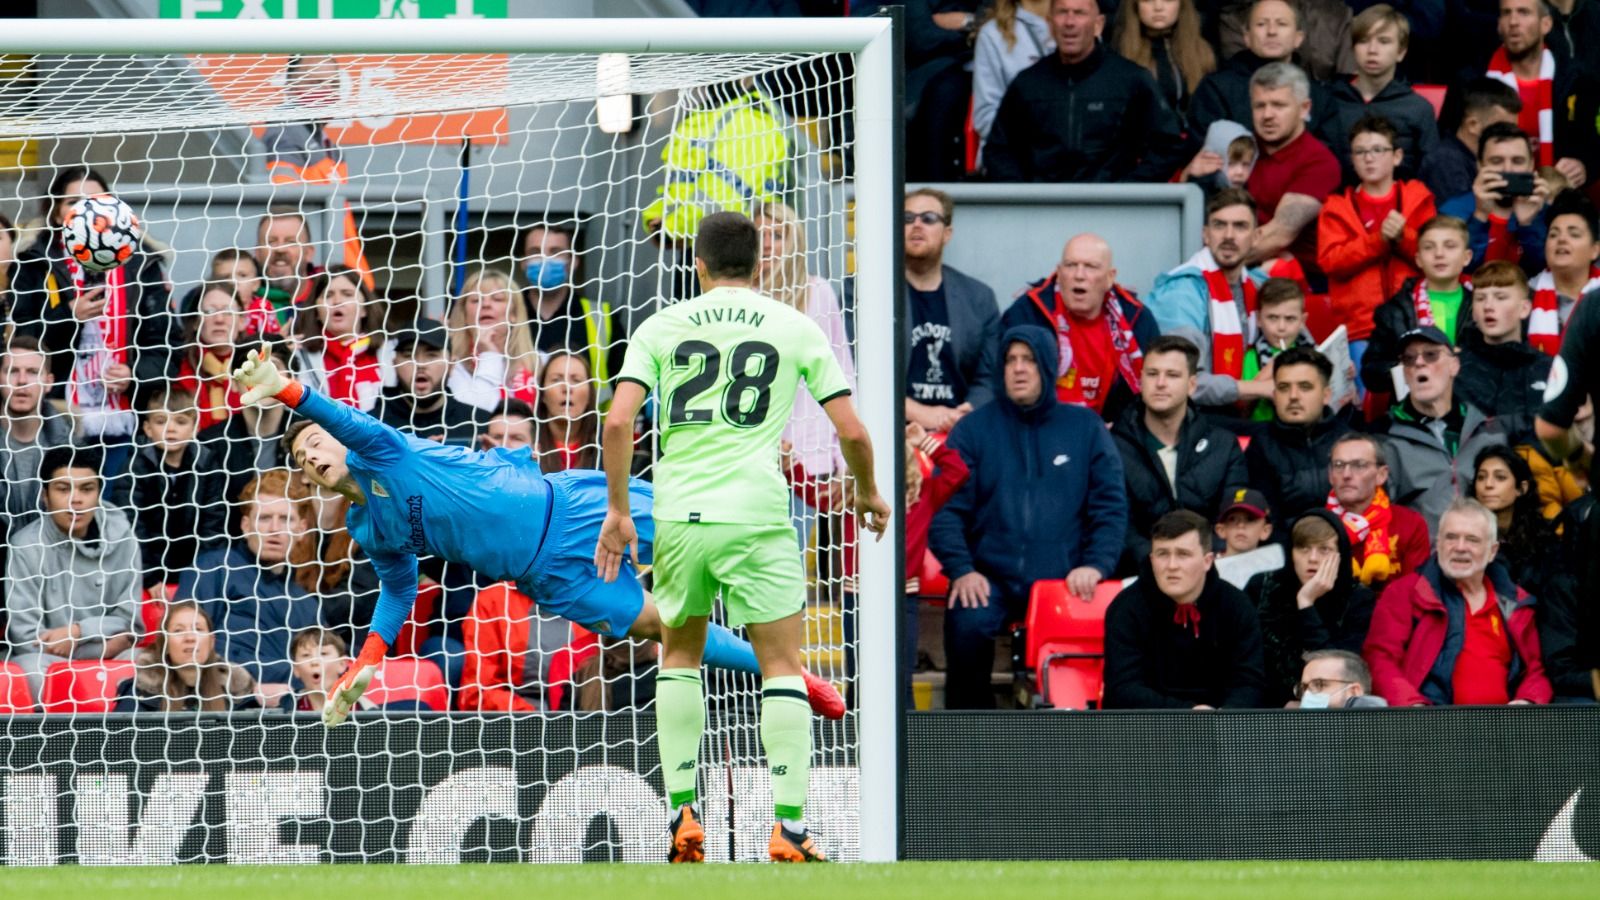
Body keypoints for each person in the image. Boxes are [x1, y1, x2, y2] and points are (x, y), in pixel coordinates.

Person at [228, 255, 853, 727]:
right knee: (658, 626)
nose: (310, 454)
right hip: (545, 576)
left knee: (708, 537)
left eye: (314, 442)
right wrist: (362, 667)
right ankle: (795, 678)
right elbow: (395, 594)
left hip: (574, 505)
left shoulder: (382, 450)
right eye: (300, 458)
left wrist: (284, 390)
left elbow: (343, 419)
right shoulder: (369, 528)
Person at [593, 210, 888, 863]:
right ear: (759, 266)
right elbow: (854, 433)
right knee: (781, 666)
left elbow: (617, 424)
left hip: (681, 516)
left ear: (697, 264)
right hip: (756, 514)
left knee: (679, 657)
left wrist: (618, 509)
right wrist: (865, 490)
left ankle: (682, 817)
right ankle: (786, 827)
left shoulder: (662, 325)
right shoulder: (794, 325)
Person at [930, 325, 1127, 708]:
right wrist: (962, 568)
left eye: (1030, 360)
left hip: (1066, 580)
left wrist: (1096, 564)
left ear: (1048, 367)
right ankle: (966, 740)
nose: (1019, 369)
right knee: (967, 623)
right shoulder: (973, 430)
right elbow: (944, 507)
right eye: (1011, 360)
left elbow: (1110, 506)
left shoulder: (1084, 427)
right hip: (989, 580)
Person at [1363, 498, 1553, 705]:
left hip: (1503, 728)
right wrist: (1412, 706)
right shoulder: (1405, 593)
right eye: (1451, 537)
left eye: (1472, 539)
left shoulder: (1515, 603)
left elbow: (1536, 670)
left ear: (1492, 551)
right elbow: (1379, 659)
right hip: (1429, 725)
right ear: (1438, 544)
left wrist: (1527, 701)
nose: (1460, 547)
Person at [983, 0, 1191, 183]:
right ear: (1049, 24)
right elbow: (998, 150)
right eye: (1062, 12)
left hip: (1113, 210)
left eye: (1080, 13)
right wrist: (1023, 195)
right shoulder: (1027, 84)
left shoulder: (1131, 80)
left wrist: (1129, 189)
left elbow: (1167, 146)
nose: (1069, 22)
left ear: (1098, 25)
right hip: (1041, 208)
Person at [754, 200, 857, 536]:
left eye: (778, 234)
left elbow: (842, 375)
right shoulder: (735, 296)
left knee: (789, 566)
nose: (767, 244)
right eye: (759, 235)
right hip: (745, 460)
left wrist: (846, 461)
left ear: (795, 241)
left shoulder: (817, 292)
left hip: (804, 462)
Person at [4, 446, 140, 700]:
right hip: (49, 656)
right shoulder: (25, 546)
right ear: (45, 495)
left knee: (146, 663)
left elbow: (130, 622)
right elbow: (25, 636)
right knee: (30, 669)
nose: (75, 499)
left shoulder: (123, 534)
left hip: (110, 651)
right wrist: (102, 645)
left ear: (99, 493)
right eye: (63, 489)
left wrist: (77, 632)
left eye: (87, 489)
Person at [177, 470, 320, 708]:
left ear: (302, 529)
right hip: (223, 706)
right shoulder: (214, 568)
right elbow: (186, 645)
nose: (274, 529)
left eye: (286, 519)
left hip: (294, 712)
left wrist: (294, 690)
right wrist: (248, 689)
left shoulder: (307, 603)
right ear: (245, 525)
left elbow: (324, 666)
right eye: (264, 518)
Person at [1111, 335, 1247, 574]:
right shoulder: (1113, 448)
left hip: (1211, 574)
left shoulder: (1223, 445)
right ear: (1141, 380)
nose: (1160, 383)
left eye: (1172, 375)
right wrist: (1160, 563)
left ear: (1192, 385)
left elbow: (1232, 519)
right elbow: (1119, 525)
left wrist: (1199, 564)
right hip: (1140, 575)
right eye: (1152, 374)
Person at [1102, 510, 1266, 709]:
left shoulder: (1237, 606)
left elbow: (1249, 683)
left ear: (1208, 561)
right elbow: (1123, 689)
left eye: (1183, 554)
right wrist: (1187, 715)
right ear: (1152, 559)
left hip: (1223, 728)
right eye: (1163, 554)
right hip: (1147, 731)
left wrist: (1223, 720)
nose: (1172, 566)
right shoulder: (1125, 609)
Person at [1316, 115, 1436, 371]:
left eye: (1378, 150)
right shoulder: (1336, 207)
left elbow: (1435, 258)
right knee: (1367, 405)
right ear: (1352, 159)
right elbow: (1330, 262)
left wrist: (1404, 237)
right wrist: (1377, 241)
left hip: (1416, 322)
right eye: (1360, 152)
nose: (1369, 158)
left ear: (1397, 156)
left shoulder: (1419, 198)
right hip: (1361, 328)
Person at [1001, 232, 1159, 422]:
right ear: (1058, 274)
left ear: (1110, 277)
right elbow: (1003, 384)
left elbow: (1155, 386)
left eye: (1091, 267)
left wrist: (1119, 432)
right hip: (1040, 428)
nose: (1079, 275)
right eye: (1071, 265)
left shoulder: (1136, 318)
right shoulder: (1027, 313)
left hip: (1116, 437)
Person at [1144, 188, 1273, 410]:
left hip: (1242, 413)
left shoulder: (1259, 285)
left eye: (1240, 226)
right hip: (1193, 417)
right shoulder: (1182, 292)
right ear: (1206, 234)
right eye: (1219, 225)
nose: (1229, 235)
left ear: (1256, 237)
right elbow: (1185, 381)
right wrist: (1260, 388)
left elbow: (1296, 344)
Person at [1376, 327, 1507, 531]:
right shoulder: (1384, 439)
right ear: (1404, 373)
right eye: (1409, 359)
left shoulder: (1488, 431)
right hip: (1419, 557)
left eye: (1431, 355)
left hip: (1483, 553)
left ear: (1454, 366)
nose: (1419, 363)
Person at [257, 55, 372, 287]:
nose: (327, 91)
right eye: (316, 82)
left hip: (349, 277)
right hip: (322, 283)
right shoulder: (284, 133)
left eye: (333, 84)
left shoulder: (330, 147)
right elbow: (287, 206)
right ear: (290, 86)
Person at [1245, 511, 1377, 705]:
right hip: (1267, 709)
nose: (1312, 558)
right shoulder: (1261, 587)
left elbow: (1341, 671)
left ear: (1341, 554)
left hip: (1331, 711)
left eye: (1324, 549)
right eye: (1303, 548)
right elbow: (1249, 662)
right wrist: (1281, 704)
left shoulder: (1358, 599)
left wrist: (1306, 603)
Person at [902, 189, 1001, 433]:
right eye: (907, 218)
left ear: (947, 233)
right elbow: (854, 370)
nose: (916, 225)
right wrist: (920, 413)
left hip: (962, 432)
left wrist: (967, 412)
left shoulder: (978, 298)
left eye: (928, 218)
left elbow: (990, 375)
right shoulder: (867, 293)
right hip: (891, 430)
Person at [1314, 6, 1440, 184]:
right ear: (1353, 49)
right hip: (1338, 205)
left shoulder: (1418, 108)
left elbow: (1430, 172)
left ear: (1401, 52)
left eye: (1384, 41)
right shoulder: (1329, 101)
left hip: (1401, 206)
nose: (1372, 49)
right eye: (1364, 41)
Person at [1241, 63, 1343, 274]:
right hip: (1242, 266)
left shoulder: (1319, 161)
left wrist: (1209, 260)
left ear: (1304, 108)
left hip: (1296, 283)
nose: (1267, 115)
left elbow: (1279, 235)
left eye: (1279, 105)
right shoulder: (1241, 149)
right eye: (1260, 106)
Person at [1360, 216, 1475, 396]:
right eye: (1429, 247)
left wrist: (1465, 360)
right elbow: (1371, 373)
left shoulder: (1484, 304)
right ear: (1419, 259)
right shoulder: (1394, 310)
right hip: (1414, 410)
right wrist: (1408, 366)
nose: (1439, 254)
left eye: (1450, 246)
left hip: (1475, 405)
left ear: (1467, 257)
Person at [128, 388, 228, 590]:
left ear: (195, 428)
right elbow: (132, 523)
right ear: (147, 428)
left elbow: (213, 524)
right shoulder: (135, 464)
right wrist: (150, 578)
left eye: (180, 422)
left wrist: (199, 575)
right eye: (161, 421)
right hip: (146, 574)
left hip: (194, 570)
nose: (170, 429)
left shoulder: (206, 463)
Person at [0, 334, 70, 619]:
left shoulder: (71, 447)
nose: (21, 381)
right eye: (12, 371)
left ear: (49, 381)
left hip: (52, 587)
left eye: (32, 372)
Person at [1244, 346, 1352, 524]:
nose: (1293, 396)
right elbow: (1265, 525)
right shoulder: (1260, 448)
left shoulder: (1350, 442)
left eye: (1305, 387)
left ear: (1326, 395)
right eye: (1284, 388)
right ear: (1274, 395)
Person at [1486, 0, 1589, 187]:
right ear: (1498, 24)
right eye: (1506, 13)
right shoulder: (1475, 78)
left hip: (1558, 194)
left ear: (1546, 24)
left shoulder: (1574, 80)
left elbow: (1592, 139)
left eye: (1524, 12)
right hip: (1493, 191)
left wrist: (1584, 164)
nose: (1513, 21)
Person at [1455, 260, 1553, 442]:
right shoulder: (1455, 368)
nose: (1488, 306)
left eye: (1500, 297)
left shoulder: (1548, 368)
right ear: (1473, 311)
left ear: (1524, 309)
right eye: (1480, 298)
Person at [1439, 123, 1552, 272]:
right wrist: (1479, 216)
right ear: (1479, 166)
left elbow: (1546, 271)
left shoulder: (1547, 213)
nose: (1507, 169)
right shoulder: (1452, 211)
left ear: (1531, 165)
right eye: (1497, 161)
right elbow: (1453, 270)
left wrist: (1528, 224)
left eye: (1517, 161)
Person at [113, 601, 260, 713]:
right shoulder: (139, 695)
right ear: (166, 644)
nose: (190, 637)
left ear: (211, 642)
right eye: (178, 630)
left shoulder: (238, 693)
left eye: (198, 629)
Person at [1325, 433, 1430, 589]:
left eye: (1359, 465)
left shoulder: (1411, 524)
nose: (1346, 474)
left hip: (1394, 611)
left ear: (1381, 475)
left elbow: (1414, 591)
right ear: (1330, 476)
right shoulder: (1318, 525)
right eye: (1339, 465)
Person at [198, 337, 294, 504]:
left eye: (273, 367)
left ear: (291, 378)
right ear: (234, 383)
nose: (262, 377)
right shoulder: (210, 443)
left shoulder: (310, 436)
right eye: (250, 369)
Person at [1189, 0, 1306, 133]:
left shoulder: (1318, 96)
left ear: (1298, 38)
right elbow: (1205, 147)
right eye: (1261, 24)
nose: (1272, 31)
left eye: (1282, 24)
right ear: (1247, 37)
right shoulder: (1216, 89)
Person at [290, 265, 391, 412]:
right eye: (328, 295)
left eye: (347, 294)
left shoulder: (391, 352)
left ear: (365, 309)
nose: (337, 301)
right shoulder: (298, 355)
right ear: (316, 311)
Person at [373, 319, 482, 448]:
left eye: (431, 355)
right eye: (409, 355)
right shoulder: (373, 426)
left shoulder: (478, 422)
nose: (420, 364)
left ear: (451, 365)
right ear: (395, 363)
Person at [971, 0, 1055, 161]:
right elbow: (985, 117)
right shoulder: (992, 34)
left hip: (1071, 155)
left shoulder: (1077, 24)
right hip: (1013, 154)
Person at [445, 269, 540, 411]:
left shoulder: (540, 362)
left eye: (497, 299)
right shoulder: (451, 366)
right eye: (476, 300)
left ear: (514, 314)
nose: (486, 305)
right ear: (464, 315)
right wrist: (489, 354)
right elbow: (475, 413)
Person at [1110, 0, 1216, 121]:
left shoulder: (1202, 52)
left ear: (1182, 4)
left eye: (1168, 0)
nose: (1158, 7)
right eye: (1148, 0)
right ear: (1135, 5)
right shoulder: (1119, 53)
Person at [1422, 78, 1523, 204]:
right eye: (1502, 129)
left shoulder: (1485, 159)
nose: (1510, 137)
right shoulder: (1445, 163)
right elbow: (1457, 220)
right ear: (1473, 125)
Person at [1527, 189, 1600, 353]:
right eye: (1553, 235)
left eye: (1574, 234)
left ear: (1595, 250)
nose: (1561, 239)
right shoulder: (1524, 297)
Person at [172, 280, 246, 432]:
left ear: (242, 322)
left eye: (227, 311)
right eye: (209, 312)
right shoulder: (176, 372)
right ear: (195, 323)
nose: (219, 320)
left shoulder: (259, 368)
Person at [245, 208, 323, 336]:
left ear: (309, 253)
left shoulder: (329, 298)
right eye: (271, 242)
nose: (280, 249)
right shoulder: (243, 303)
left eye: (291, 242)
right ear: (257, 253)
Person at [533, 350, 599, 473]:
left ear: (590, 394)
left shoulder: (608, 444)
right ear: (542, 394)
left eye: (576, 380)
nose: (567, 388)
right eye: (556, 380)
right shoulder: (527, 443)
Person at [287, 626, 355, 715]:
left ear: (342, 664)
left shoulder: (363, 708)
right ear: (296, 669)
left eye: (323, 653)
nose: (314, 662)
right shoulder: (285, 709)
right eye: (306, 655)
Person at [1294, 649, 1388, 707]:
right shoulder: (1296, 736)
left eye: (1320, 684)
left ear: (1354, 691)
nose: (1307, 694)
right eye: (1304, 687)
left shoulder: (1383, 734)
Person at [1215, 488, 1274, 556]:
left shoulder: (1274, 565)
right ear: (1221, 530)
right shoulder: (1206, 565)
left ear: (1265, 531)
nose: (1241, 525)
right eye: (1232, 519)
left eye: (1250, 519)